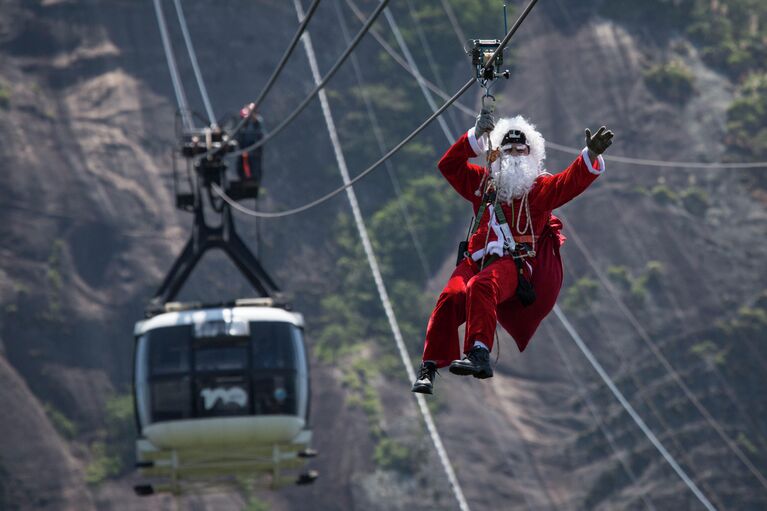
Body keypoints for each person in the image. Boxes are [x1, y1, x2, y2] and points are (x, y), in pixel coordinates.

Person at [411, 109, 613, 394]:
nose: (514, 153)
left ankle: (479, 352)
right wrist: (476, 135)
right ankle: (429, 366)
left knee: (482, 286)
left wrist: (589, 157)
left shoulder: (538, 190)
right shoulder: (483, 184)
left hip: (514, 265)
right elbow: (450, 165)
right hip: (476, 259)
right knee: (451, 295)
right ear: (498, 154)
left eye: (520, 149)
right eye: (508, 149)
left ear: (531, 153)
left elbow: (568, 182)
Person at [235, 102, 265, 192]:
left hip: (254, 150)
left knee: (254, 165)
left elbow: (260, 134)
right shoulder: (244, 122)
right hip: (244, 149)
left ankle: (253, 179)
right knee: (243, 164)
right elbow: (239, 135)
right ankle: (244, 178)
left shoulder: (257, 122)